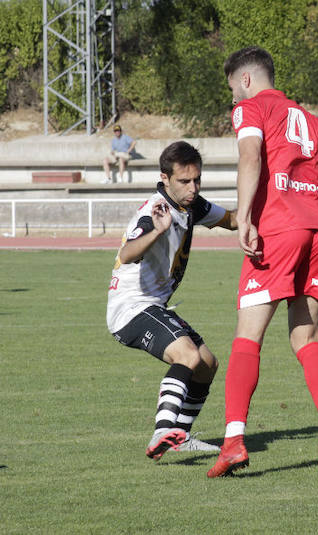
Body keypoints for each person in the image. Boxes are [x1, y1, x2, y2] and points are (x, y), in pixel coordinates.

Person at [207, 47, 318, 478]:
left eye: (232, 92)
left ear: (245, 81)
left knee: (248, 336)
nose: (234, 102)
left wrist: (243, 217)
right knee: (306, 336)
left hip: (279, 230)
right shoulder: (315, 122)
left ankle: (234, 441)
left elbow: (250, 157)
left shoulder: (252, 109)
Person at [107, 140, 237, 459]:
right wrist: (156, 232)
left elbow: (233, 221)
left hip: (153, 306)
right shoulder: (156, 211)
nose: (192, 188)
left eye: (197, 180)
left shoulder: (192, 204)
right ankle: (163, 430)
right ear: (165, 178)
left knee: (207, 365)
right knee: (188, 356)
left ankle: (182, 434)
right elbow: (126, 253)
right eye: (184, 181)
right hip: (131, 308)